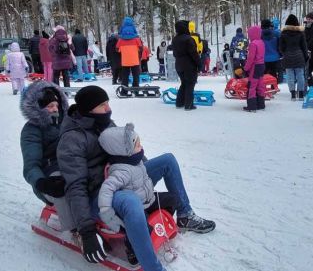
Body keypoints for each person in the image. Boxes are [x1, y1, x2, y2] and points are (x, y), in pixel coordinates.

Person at [57, 86, 214, 271]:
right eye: (102, 105)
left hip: (123, 176)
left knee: (167, 161)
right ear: (88, 110)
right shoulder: (72, 140)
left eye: (108, 102)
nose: (108, 109)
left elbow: (128, 149)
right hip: (100, 195)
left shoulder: (105, 123)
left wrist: (142, 169)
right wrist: (86, 231)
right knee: (131, 201)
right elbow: (76, 186)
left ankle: (185, 215)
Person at [97, 123, 180, 264]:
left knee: (173, 199)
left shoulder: (136, 159)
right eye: (137, 145)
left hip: (149, 200)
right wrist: (107, 212)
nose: (141, 147)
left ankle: (162, 225)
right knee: (140, 228)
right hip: (138, 209)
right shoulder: (120, 171)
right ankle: (132, 249)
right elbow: (106, 189)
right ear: (125, 151)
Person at [20, 81, 73, 231]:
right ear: (39, 109)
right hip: (50, 173)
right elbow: (31, 165)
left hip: (73, 164)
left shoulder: (68, 122)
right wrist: (42, 182)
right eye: (50, 106)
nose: (55, 109)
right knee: (62, 186)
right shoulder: (32, 130)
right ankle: (74, 231)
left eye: (56, 105)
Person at [279, 14, 308, 100]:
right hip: (299, 56)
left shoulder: (283, 34)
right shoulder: (300, 33)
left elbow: (281, 47)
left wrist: (284, 53)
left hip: (287, 56)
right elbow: (304, 47)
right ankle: (301, 94)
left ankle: (292, 94)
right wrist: (305, 57)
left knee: (290, 76)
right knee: (300, 75)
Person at [172, 20, 200, 110]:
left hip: (178, 65)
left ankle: (179, 103)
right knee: (190, 84)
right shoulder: (188, 39)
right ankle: (188, 105)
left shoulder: (175, 39)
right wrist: (199, 64)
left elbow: (174, 53)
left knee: (184, 83)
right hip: (189, 65)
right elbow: (194, 54)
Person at [116, 17, 144, 90]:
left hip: (125, 61)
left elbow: (117, 49)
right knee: (136, 75)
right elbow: (141, 48)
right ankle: (136, 89)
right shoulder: (136, 39)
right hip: (135, 60)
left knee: (125, 76)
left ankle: (124, 90)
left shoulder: (120, 40)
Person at [243, 25, 266, 112]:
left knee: (252, 86)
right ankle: (261, 104)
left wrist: (246, 68)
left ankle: (252, 106)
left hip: (255, 67)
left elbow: (250, 58)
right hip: (262, 65)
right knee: (260, 85)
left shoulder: (253, 44)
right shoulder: (261, 42)